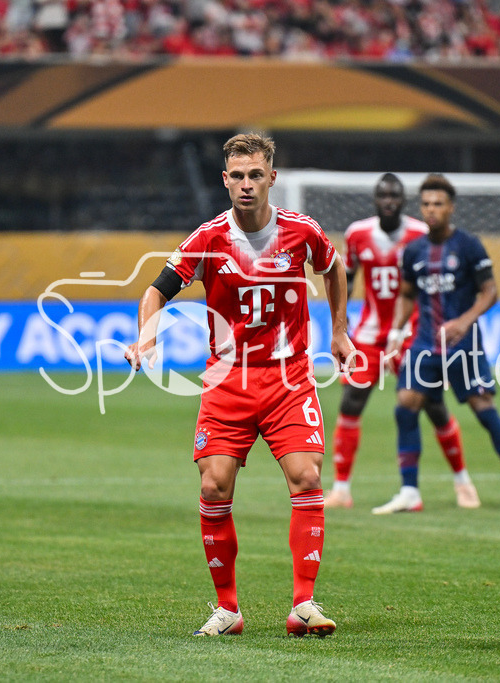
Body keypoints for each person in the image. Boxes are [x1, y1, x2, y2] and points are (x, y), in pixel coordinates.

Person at [125, 133, 354, 637]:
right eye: (237, 176)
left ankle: (304, 605)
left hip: (288, 377)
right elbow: (156, 290)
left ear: (272, 177)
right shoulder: (207, 238)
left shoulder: (302, 231)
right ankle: (227, 610)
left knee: (307, 477)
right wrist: (145, 338)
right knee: (213, 484)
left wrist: (339, 330)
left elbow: (336, 271)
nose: (246, 185)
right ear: (224, 179)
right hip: (227, 380)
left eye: (256, 175)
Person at [324, 173, 480, 513]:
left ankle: (463, 481)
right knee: (351, 402)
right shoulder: (357, 234)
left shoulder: (419, 234)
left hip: (412, 334)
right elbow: (346, 280)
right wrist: (341, 327)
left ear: (403, 201)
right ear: (376, 200)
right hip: (369, 334)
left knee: (432, 406)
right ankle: (341, 489)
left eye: (395, 196)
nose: (389, 201)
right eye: (383, 196)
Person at [382, 174, 500, 515]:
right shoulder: (414, 251)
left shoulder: (468, 246)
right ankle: (409, 491)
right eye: (426, 204)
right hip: (425, 343)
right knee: (405, 406)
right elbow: (407, 295)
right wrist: (395, 333)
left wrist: (465, 321)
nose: (431, 210)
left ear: (451, 208)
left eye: (438, 204)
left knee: (484, 412)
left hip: (463, 346)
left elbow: (490, 291)